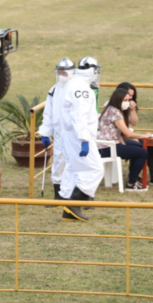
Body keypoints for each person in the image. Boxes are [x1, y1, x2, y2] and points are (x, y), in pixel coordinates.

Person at [59, 57, 105, 222]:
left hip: (72, 134)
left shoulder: (74, 83)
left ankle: (68, 208)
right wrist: (84, 139)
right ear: (92, 70)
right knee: (96, 169)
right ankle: (74, 204)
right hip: (79, 135)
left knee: (74, 168)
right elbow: (79, 115)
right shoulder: (82, 88)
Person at [98, 89, 152, 191]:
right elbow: (127, 133)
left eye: (128, 100)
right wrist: (145, 136)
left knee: (139, 149)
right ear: (118, 99)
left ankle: (133, 180)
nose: (127, 103)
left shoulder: (110, 109)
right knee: (142, 153)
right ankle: (131, 183)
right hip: (108, 147)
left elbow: (121, 133)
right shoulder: (115, 112)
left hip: (106, 145)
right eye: (125, 100)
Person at [39, 57, 75, 207]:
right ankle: (58, 197)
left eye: (64, 72)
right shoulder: (54, 90)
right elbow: (48, 113)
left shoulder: (76, 89)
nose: (62, 74)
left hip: (73, 135)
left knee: (73, 164)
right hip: (59, 135)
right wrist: (45, 133)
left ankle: (75, 196)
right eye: (60, 72)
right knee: (58, 163)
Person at [114, 82, 153, 187]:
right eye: (128, 96)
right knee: (142, 146)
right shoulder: (114, 107)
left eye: (132, 96)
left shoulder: (127, 105)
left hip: (124, 135)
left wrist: (132, 110)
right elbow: (122, 131)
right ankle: (134, 178)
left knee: (147, 144)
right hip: (118, 138)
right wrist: (133, 137)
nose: (130, 99)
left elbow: (134, 122)